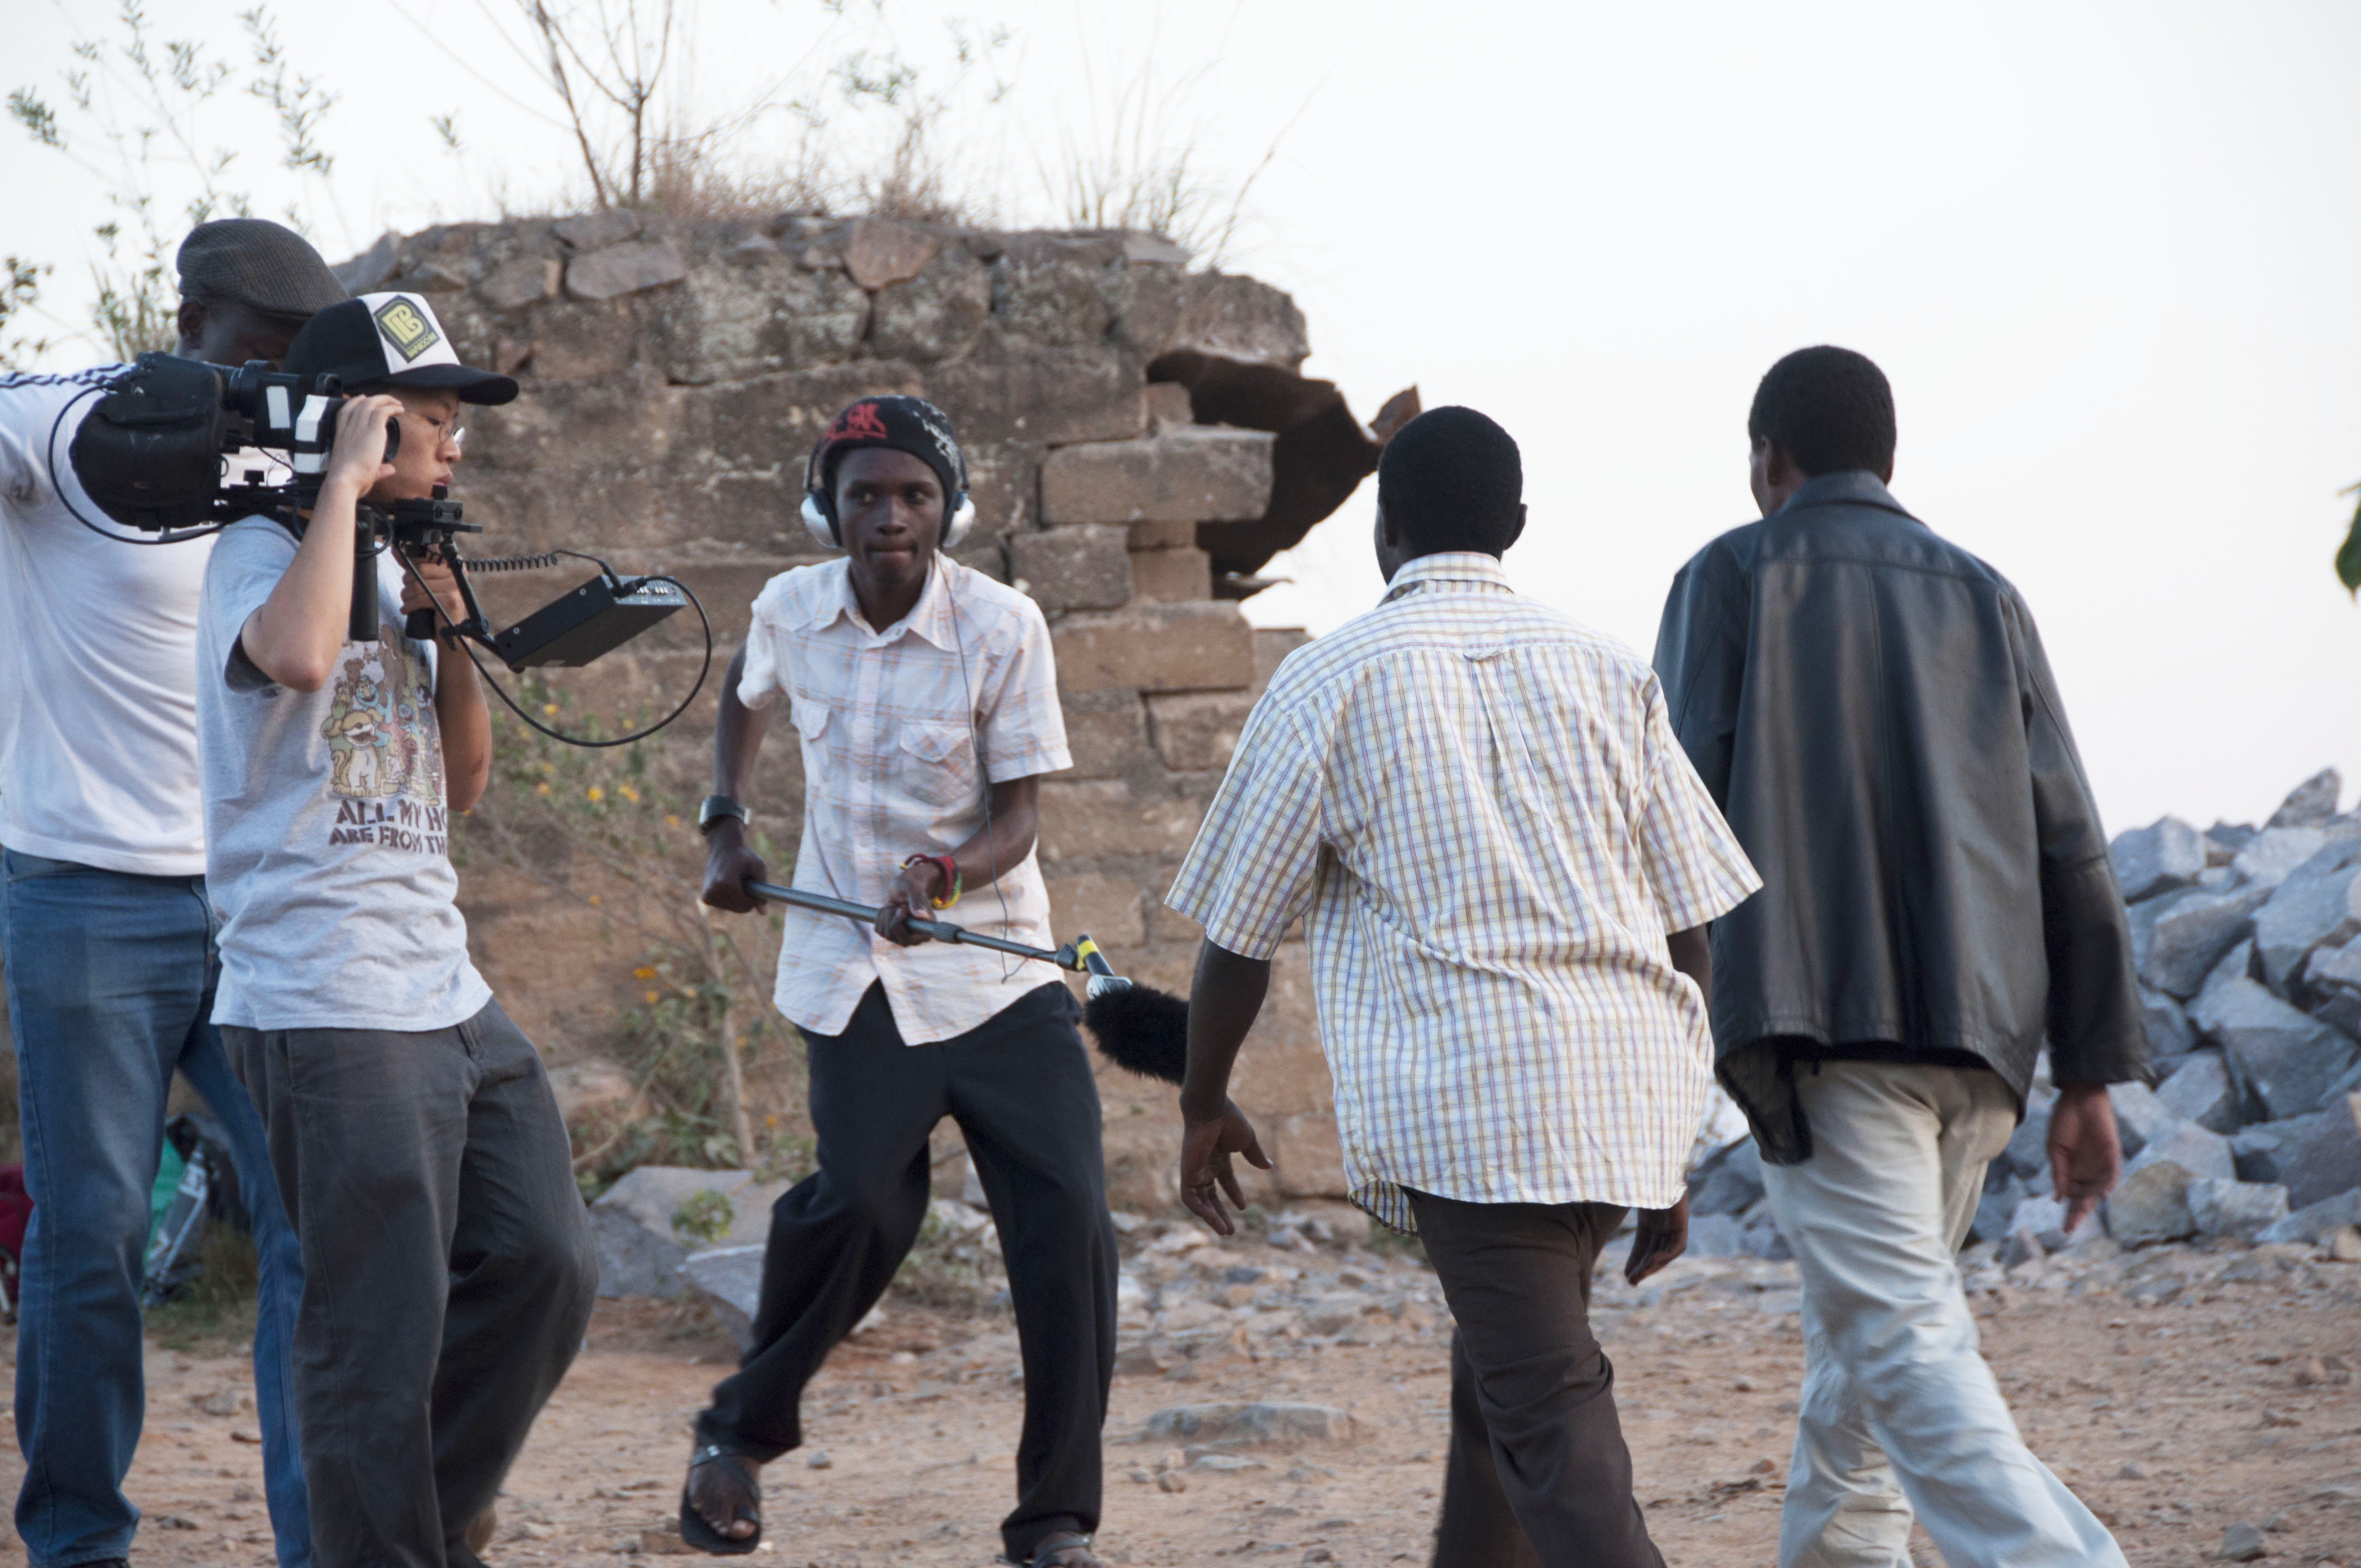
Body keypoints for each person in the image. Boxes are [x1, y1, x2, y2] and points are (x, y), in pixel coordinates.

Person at [1165, 406, 1762, 1568]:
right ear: (1516, 525)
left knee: (1551, 1416)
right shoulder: (1610, 671)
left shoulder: (1326, 680)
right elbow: (1691, 930)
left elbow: (1238, 938)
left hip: (1473, 1108)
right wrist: (1670, 1133)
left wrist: (1201, 1101)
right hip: (1619, 1086)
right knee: (1506, 1371)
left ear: (1382, 528)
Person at [1652, 346, 2144, 1568]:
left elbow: (1672, 827)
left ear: (1767, 458)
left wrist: (1661, 1073)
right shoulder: (1983, 593)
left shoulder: (1731, 576)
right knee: (1866, 1342)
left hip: (1827, 1037)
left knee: (1905, 1343)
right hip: (1983, 1047)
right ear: (1887, 459)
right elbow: (2070, 844)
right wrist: (2086, 1076)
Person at [197, 290, 597, 1568]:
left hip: (441, 983)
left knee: (546, 1260)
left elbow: (460, 783)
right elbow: (298, 658)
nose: (454, 441)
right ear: (353, 426)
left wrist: (451, 632)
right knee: (374, 1329)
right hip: (324, 992)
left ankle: (414, 1525)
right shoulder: (260, 551)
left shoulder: (386, 565)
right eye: (427, 417)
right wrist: (340, 489)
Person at [686, 396, 1116, 1568]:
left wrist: (942, 873)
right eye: (865, 495)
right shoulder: (790, 608)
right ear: (824, 508)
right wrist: (725, 825)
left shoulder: (1002, 625)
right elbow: (744, 694)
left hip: (992, 973)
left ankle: (1054, 1521)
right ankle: (737, 1433)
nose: (890, 517)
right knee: (863, 1204)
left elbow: (1019, 815)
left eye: (914, 495)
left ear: (948, 512)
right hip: (854, 972)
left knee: (1069, 1224)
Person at [0, 217, 338, 1568]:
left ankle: (324, 1536)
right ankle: (79, 1538)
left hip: (257, 894)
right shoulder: (55, 425)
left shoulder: (304, 454)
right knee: (92, 1233)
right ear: (190, 319)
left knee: (313, 1214)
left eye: (300, 356)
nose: (279, 376)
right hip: (85, 892)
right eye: (260, 349)